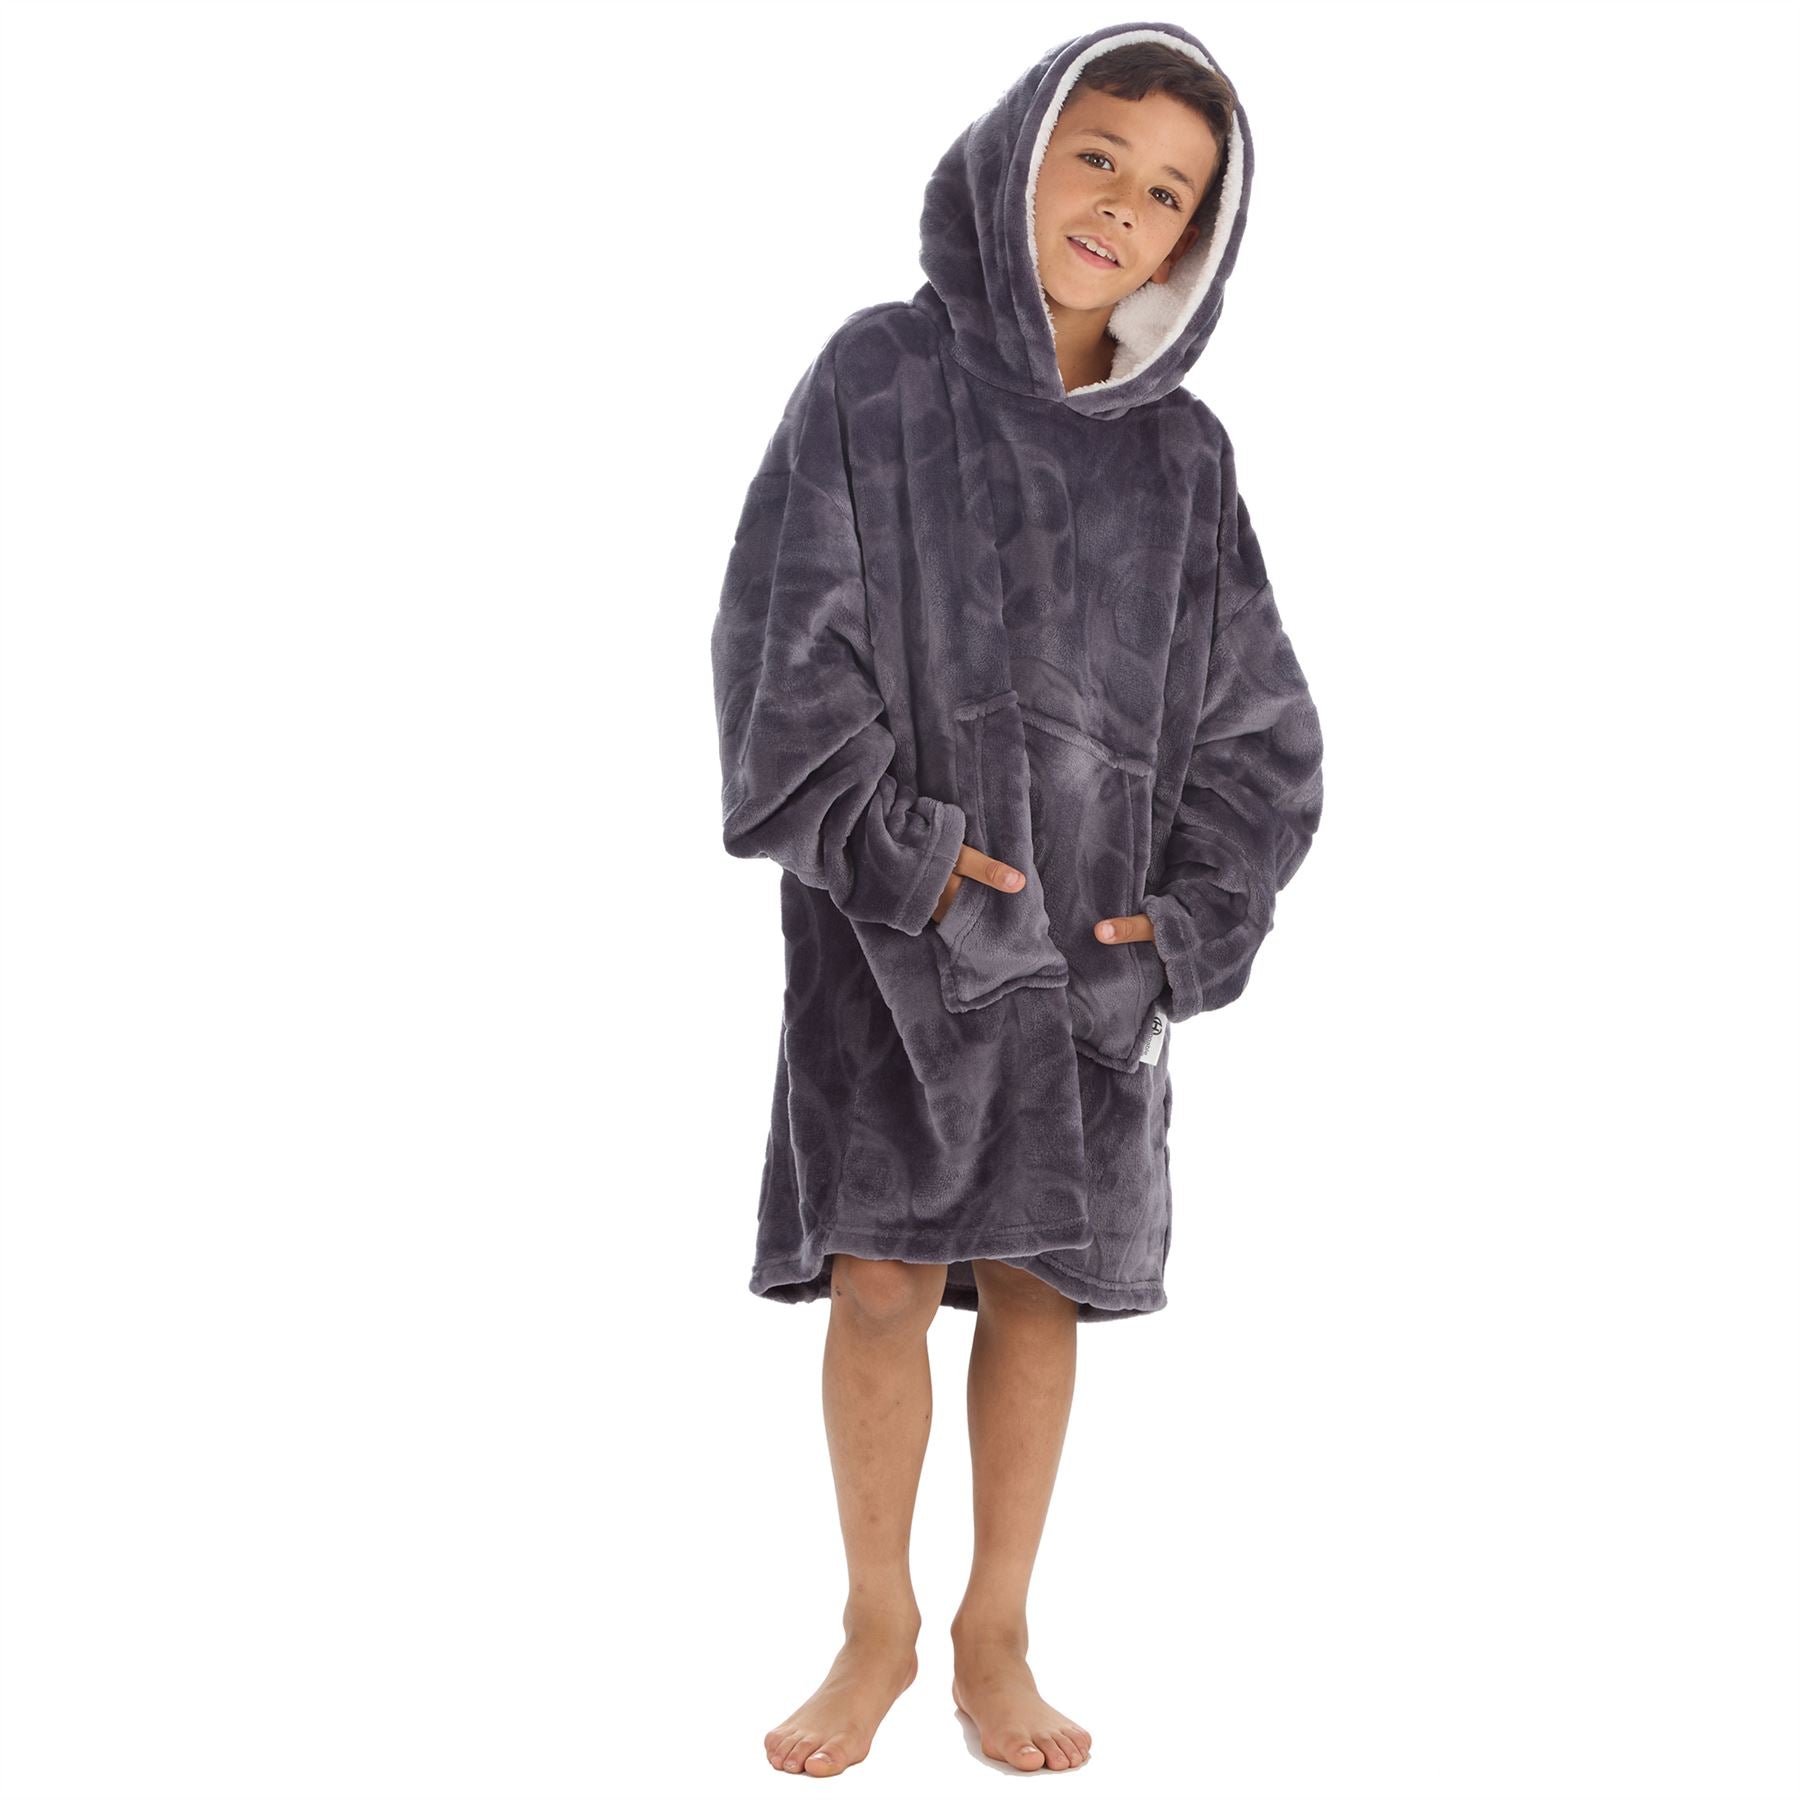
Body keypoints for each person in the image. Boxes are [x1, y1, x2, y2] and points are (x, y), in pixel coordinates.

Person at [710, 20, 1325, 1778]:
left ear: (1199, 239)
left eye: (1170, 193)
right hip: (896, 948)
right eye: (1098, 156)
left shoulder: (1185, 458)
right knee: (882, 1279)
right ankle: (875, 1622)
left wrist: (1185, 929)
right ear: (1020, 156)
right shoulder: (879, 378)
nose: (1123, 207)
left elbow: (1262, 731)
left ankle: (998, 1629)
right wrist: (907, 861)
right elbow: (781, 650)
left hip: (1089, 968)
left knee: (1039, 1290)